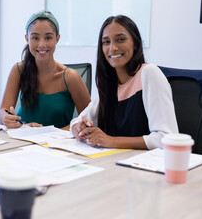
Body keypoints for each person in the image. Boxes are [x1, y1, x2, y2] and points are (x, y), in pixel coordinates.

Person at [70, 15, 178, 149]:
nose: (113, 48)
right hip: (116, 161)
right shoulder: (110, 84)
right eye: (106, 42)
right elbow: (78, 120)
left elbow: (166, 138)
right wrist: (77, 127)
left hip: (145, 165)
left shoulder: (149, 73)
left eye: (121, 40)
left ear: (136, 44)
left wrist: (111, 141)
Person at [0, 11, 91, 129]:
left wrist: (46, 133)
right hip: (24, 141)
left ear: (57, 38)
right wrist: (5, 117)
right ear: (27, 39)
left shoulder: (70, 77)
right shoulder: (19, 70)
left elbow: (88, 120)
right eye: (35, 38)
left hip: (57, 143)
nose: (42, 44)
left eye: (48, 38)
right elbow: (2, 111)